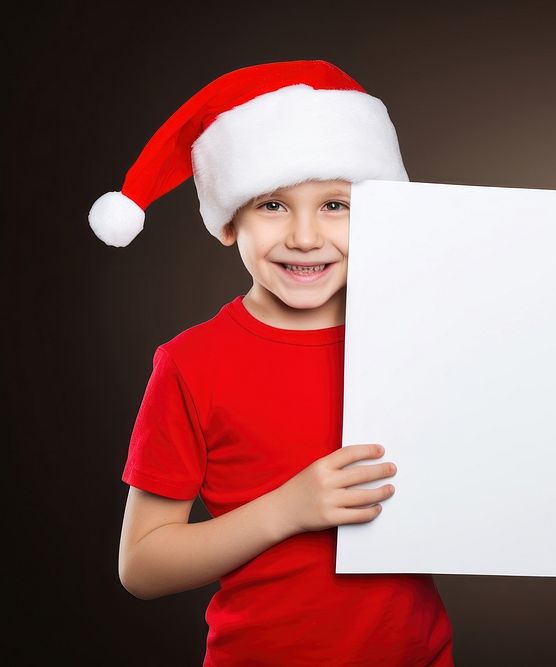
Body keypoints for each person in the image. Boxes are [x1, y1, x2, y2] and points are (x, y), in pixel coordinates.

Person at [90, 60, 454, 666]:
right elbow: (143, 565)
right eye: (272, 205)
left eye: (336, 203)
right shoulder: (191, 364)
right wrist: (290, 509)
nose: (307, 237)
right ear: (230, 221)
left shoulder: (418, 341)